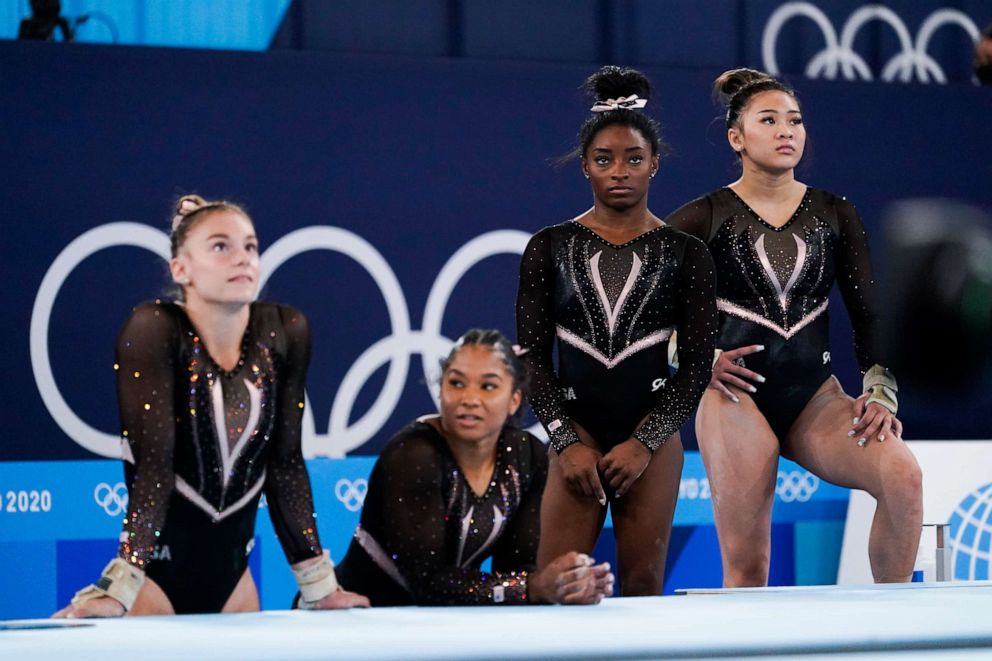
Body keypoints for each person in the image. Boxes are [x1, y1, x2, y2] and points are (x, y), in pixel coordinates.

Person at [665, 68, 923, 586]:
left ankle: (896, 631)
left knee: (902, 476)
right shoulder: (702, 217)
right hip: (735, 397)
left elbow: (868, 312)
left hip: (815, 399)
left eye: (795, 120)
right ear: (736, 137)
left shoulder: (834, 212)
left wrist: (880, 392)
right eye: (769, 120)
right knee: (749, 564)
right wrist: (697, 357)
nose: (787, 131)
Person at [54, 195, 368, 616]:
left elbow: (285, 465)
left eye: (250, 246)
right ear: (180, 269)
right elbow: (154, 468)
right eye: (221, 246)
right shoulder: (154, 330)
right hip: (154, 585)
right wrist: (120, 585)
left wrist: (319, 585)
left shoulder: (285, 331)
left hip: (234, 587)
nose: (242, 258)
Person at [516, 66, 718, 596]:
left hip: (649, 434)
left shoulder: (686, 253)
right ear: (585, 166)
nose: (619, 171)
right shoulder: (550, 246)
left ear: (655, 162)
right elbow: (533, 359)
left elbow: (698, 364)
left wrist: (645, 443)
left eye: (633, 159)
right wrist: (565, 441)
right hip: (576, 431)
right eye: (604, 160)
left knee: (644, 582)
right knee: (562, 581)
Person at [334, 329, 614, 605]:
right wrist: (532, 587)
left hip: (438, 626)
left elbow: (515, 571)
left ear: (514, 399)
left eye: (488, 386)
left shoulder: (526, 455)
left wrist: (566, 584)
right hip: (356, 621)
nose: (469, 398)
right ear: (441, 389)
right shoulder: (413, 455)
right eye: (456, 383)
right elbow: (427, 584)